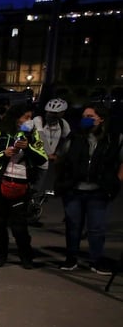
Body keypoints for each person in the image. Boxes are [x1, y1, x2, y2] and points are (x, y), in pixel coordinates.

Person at [55, 104, 123, 275]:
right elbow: (61, 157)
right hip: (74, 190)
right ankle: (71, 258)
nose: (86, 119)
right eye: (84, 115)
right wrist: (64, 179)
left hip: (98, 192)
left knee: (96, 228)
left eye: (91, 116)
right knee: (73, 226)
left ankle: (96, 260)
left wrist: (115, 181)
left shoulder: (114, 138)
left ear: (101, 119)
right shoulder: (75, 136)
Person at [0, 104, 47, 268]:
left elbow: (42, 158)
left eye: (30, 117)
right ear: (16, 118)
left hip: (21, 186)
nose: (29, 121)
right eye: (26, 117)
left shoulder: (32, 135)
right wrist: (3, 154)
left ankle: (26, 257)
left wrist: (29, 148)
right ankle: (1, 255)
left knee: (19, 226)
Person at [32, 97, 71, 198]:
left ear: (61, 114)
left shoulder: (63, 124)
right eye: (49, 112)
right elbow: (40, 136)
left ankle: (30, 203)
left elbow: (67, 141)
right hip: (33, 155)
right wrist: (49, 153)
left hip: (45, 161)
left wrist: (59, 155)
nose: (50, 115)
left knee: (37, 186)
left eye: (54, 113)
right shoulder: (38, 120)